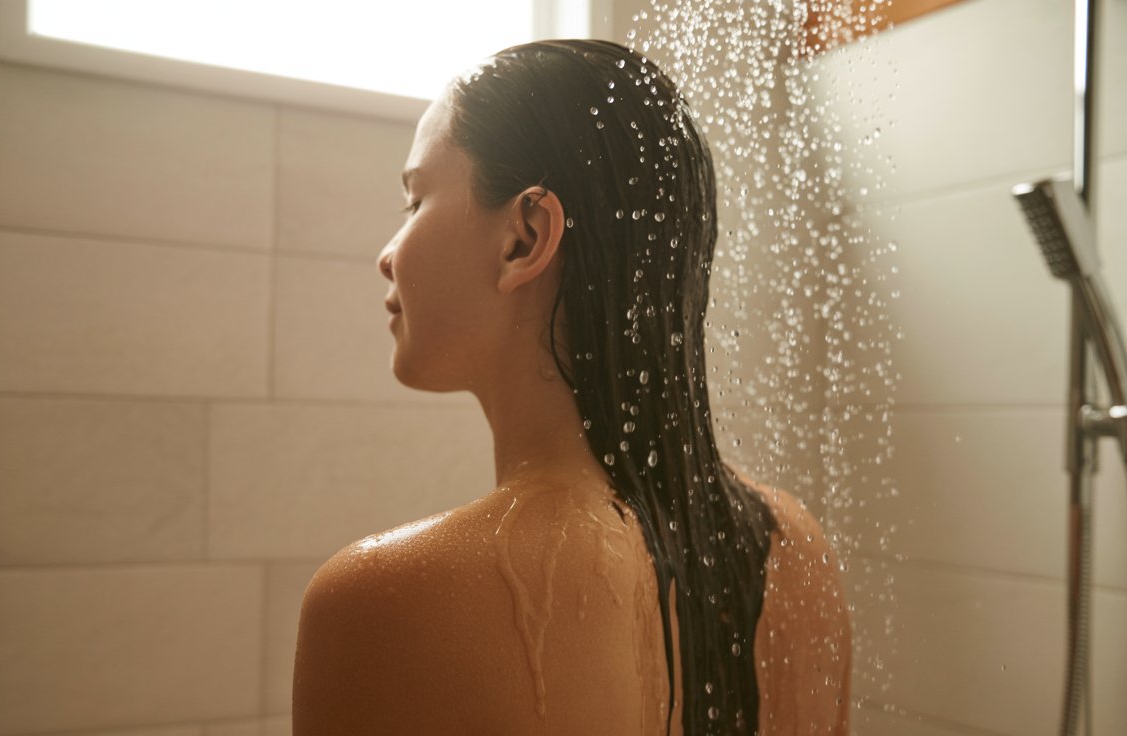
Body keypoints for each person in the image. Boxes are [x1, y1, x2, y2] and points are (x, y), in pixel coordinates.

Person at [292, 39, 851, 735]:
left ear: (525, 238)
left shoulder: (385, 597)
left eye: (414, 202)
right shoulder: (791, 546)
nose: (388, 254)